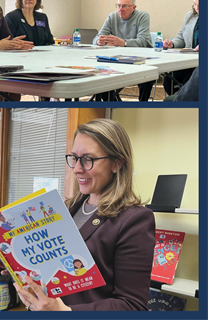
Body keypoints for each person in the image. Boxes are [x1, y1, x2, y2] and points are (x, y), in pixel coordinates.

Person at [11, 118, 155, 311]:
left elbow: (133, 305)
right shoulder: (68, 208)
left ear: (117, 163)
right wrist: (20, 261)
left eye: (88, 159)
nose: (77, 169)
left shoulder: (134, 220)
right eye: (75, 158)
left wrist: (66, 312)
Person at [93, 0, 154, 101]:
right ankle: (115, 103)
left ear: (134, 7)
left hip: (140, 60)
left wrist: (123, 42)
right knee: (101, 79)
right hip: (116, 59)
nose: (120, 9)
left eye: (124, 6)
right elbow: (96, 38)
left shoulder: (143, 16)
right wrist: (99, 41)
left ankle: (142, 104)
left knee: (148, 75)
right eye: (118, 6)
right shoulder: (112, 17)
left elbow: (144, 41)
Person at [163, 0, 199, 95]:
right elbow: (181, 37)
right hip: (189, 60)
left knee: (189, 81)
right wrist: (172, 43)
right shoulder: (190, 16)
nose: (197, 8)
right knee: (168, 81)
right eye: (194, 4)